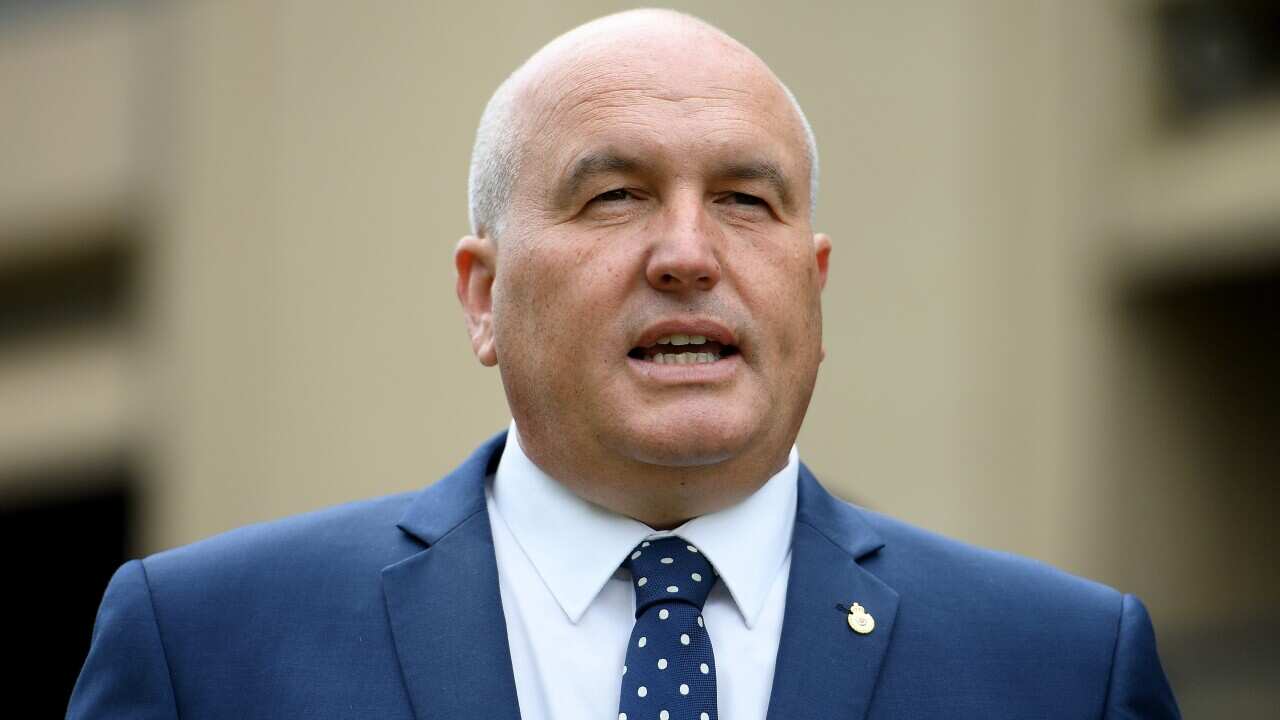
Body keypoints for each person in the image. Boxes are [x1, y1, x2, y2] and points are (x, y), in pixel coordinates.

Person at [68, 9, 1180, 719]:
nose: (689, 255)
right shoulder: (204, 652)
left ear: (814, 284)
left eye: (745, 201)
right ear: (481, 295)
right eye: (614, 197)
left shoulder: (1061, 670)